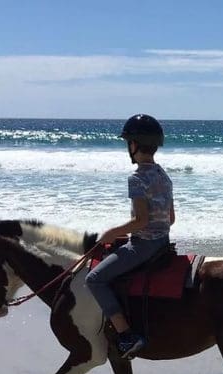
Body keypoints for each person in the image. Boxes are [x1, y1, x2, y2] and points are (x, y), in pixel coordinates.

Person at [85, 113, 176, 359]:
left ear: (133, 145)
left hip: (144, 246)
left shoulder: (136, 178)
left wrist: (110, 233)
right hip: (163, 244)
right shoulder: (163, 175)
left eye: (129, 143)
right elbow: (171, 219)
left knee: (94, 279)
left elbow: (140, 221)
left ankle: (127, 336)